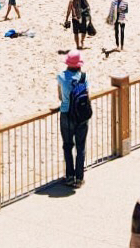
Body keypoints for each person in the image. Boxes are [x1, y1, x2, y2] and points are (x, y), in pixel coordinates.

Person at [56, 51, 88, 187]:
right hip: (81, 114)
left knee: (68, 146)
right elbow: (87, 95)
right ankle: (79, 179)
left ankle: (69, 176)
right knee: (80, 147)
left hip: (66, 114)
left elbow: (60, 97)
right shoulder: (84, 77)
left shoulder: (61, 77)